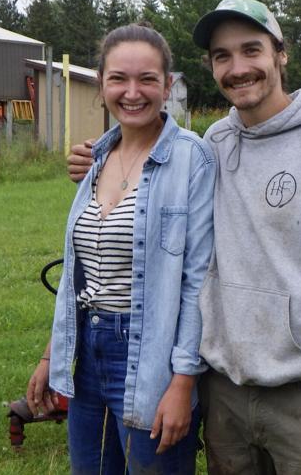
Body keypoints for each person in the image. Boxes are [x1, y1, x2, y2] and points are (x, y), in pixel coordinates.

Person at [68, 0, 301, 474]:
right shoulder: (213, 147)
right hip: (223, 393)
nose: (238, 68)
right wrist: (97, 158)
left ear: (280, 54)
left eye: (252, 50)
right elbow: (150, 173)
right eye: (223, 56)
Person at [27, 23, 216, 474]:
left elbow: (198, 281)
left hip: (153, 359)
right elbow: (81, 272)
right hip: (87, 357)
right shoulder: (96, 160)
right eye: (119, 79)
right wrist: (52, 355)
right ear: (100, 83)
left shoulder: (193, 159)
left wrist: (182, 382)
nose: (133, 92)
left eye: (147, 79)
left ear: (168, 85)